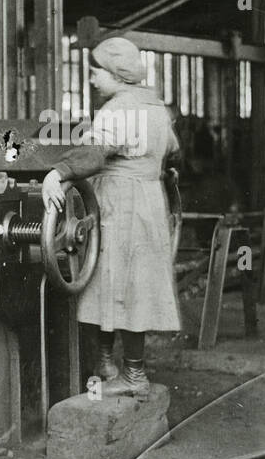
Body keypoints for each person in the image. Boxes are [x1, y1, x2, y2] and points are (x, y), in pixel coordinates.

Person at [42, 37, 181, 398]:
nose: (91, 79)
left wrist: (57, 173)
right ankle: (107, 366)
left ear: (116, 74)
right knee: (121, 284)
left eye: (95, 71)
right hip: (148, 200)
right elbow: (173, 154)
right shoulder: (155, 107)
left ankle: (131, 376)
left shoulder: (118, 110)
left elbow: (95, 153)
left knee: (113, 282)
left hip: (120, 204)